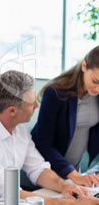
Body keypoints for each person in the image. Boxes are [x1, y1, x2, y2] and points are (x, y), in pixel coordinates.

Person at [0, 70, 98, 205]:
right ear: (12, 110)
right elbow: (6, 191)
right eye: (31, 103)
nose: (37, 106)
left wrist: (64, 186)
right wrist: (70, 204)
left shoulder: (20, 128)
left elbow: (37, 168)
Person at [31, 45, 99, 187]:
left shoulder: (96, 95)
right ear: (84, 66)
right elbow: (43, 143)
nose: (97, 89)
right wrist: (73, 175)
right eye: (95, 81)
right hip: (45, 172)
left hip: (74, 174)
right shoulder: (55, 93)